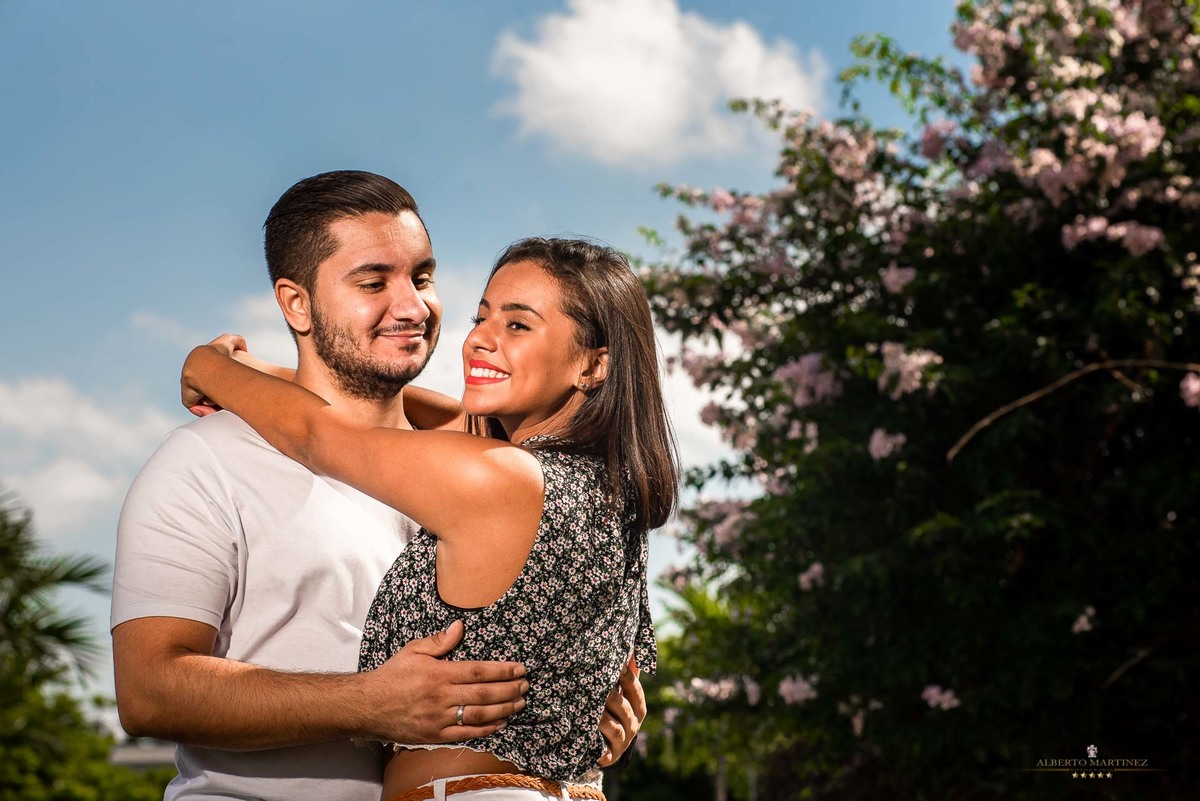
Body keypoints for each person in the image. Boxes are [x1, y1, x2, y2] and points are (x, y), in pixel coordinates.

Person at [111, 171, 644, 801]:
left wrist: (210, 365)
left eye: (422, 277)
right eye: (373, 282)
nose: (414, 306)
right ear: (296, 305)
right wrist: (367, 704)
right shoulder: (206, 462)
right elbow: (147, 693)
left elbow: (323, 432)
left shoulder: (481, 465)